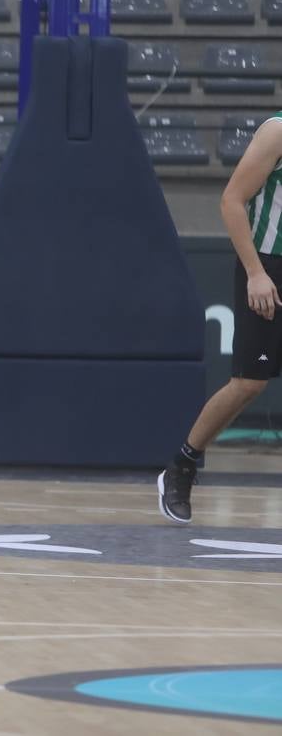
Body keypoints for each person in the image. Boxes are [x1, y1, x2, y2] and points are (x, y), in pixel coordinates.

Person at [158, 113, 282, 524]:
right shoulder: (277, 130)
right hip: (267, 266)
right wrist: (255, 273)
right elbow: (231, 200)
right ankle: (183, 465)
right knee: (249, 382)